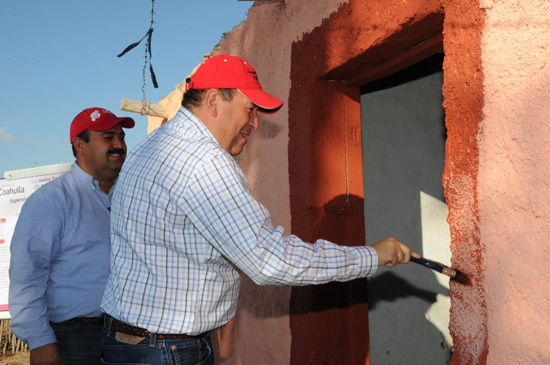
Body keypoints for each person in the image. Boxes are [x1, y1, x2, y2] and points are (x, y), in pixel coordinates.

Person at [100, 54, 418, 364]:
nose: (255, 123)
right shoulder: (206, 162)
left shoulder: (149, 146)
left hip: (128, 342)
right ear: (213, 101)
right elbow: (269, 261)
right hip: (165, 351)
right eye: (250, 109)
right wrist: (373, 256)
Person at [9, 107, 135, 365]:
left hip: (129, 336)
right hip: (75, 338)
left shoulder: (132, 197)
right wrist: (40, 341)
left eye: (121, 137)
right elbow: (27, 276)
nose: (118, 145)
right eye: (108, 137)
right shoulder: (51, 201)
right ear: (80, 145)